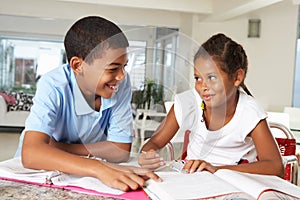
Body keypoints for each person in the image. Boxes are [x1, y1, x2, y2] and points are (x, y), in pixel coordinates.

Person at [14, 15, 161, 191]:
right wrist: (99, 167)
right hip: (37, 173)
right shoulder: (53, 85)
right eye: (113, 68)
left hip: (80, 174)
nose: (121, 76)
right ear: (77, 65)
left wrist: (58, 148)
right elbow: (32, 154)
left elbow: (120, 151)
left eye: (124, 66)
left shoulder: (120, 84)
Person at [138, 33, 284, 177]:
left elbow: (275, 166)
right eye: (198, 78)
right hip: (192, 178)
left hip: (233, 182)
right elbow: (154, 142)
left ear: (237, 77)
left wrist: (216, 169)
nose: (203, 86)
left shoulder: (249, 111)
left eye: (212, 77)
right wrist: (148, 154)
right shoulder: (189, 103)